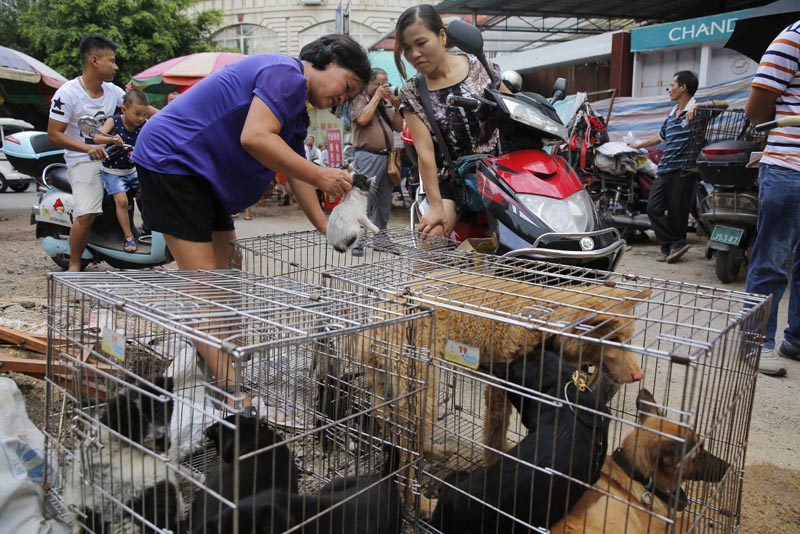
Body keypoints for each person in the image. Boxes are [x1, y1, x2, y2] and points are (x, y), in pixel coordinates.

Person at [132, 34, 369, 395]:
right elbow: (256, 137)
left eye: (349, 96)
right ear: (327, 58)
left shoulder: (297, 110)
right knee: (207, 284)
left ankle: (227, 358)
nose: (343, 98)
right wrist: (321, 175)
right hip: (173, 160)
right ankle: (233, 394)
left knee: (231, 266)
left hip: (201, 175)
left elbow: (294, 169)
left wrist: (326, 227)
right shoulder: (286, 75)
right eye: (347, 85)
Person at [47, 33, 156, 272]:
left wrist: (175, 120)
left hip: (119, 160)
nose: (116, 66)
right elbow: (54, 134)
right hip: (83, 161)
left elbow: (145, 110)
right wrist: (89, 148)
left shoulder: (114, 92)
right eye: (112, 61)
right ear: (94, 61)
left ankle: (138, 240)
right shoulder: (67, 94)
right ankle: (75, 264)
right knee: (86, 213)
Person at [394, 4, 504, 238]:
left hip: (501, 173)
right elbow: (425, 154)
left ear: (441, 36)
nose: (414, 54)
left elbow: (514, 112)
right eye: (407, 48)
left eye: (421, 43)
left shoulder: (480, 67)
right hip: (453, 180)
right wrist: (435, 207)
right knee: (430, 242)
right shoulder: (412, 92)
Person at [741, 20, 800, 377]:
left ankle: (796, 339)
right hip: (790, 168)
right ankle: (755, 342)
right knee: (773, 261)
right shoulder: (793, 38)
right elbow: (757, 111)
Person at [628, 71, 727, 264]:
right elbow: (661, 136)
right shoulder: (672, 114)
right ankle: (675, 243)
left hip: (684, 170)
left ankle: (669, 248)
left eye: (672, 85)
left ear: (683, 88)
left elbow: (725, 105)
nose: (669, 90)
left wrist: (699, 106)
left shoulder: (697, 112)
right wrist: (639, 145)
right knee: (653, 208)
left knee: (677, 213)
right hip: (664, 169)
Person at [349, 68, 403, 255]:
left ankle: (381, 239)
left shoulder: (383, 103)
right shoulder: (358, 99)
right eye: (379, 83)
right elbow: (363, 119)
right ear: (368, 84)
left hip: (386, 156)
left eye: (386, 83)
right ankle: (358, 241)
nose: (384, 87)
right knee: (365, 200)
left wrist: (397, 107)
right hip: (367, 155)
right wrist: (377, 97)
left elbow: (398, 126)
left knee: (383, 201)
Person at [91, 90, 150, 252]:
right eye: (137, 114)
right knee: (122, 202)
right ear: (124, 109)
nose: (141, 119)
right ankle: (128, 237)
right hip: (113, 171)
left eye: (145, 115)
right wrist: (111, 139)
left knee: (151, 193)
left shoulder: (144, 125)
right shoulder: (114, 121)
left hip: (132, 169)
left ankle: (149, 229)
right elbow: (96, 137)